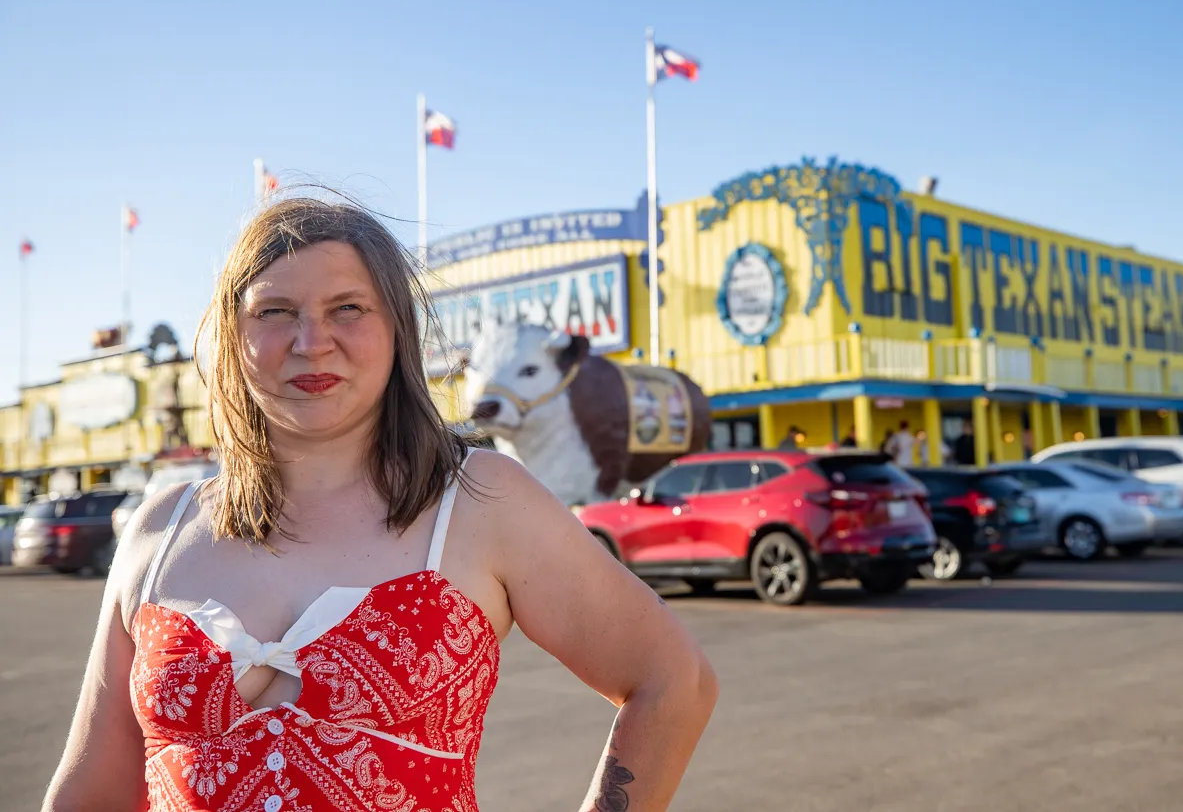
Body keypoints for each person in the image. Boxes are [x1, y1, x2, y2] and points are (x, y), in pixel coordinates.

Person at [43, 197, 718, 812]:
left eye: (348, 308)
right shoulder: (161, 528)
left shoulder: (482, 500)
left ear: (396, 329)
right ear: (232, 334)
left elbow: (673, 681)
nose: (312, 340)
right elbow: (91, 790)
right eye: (275, 311)